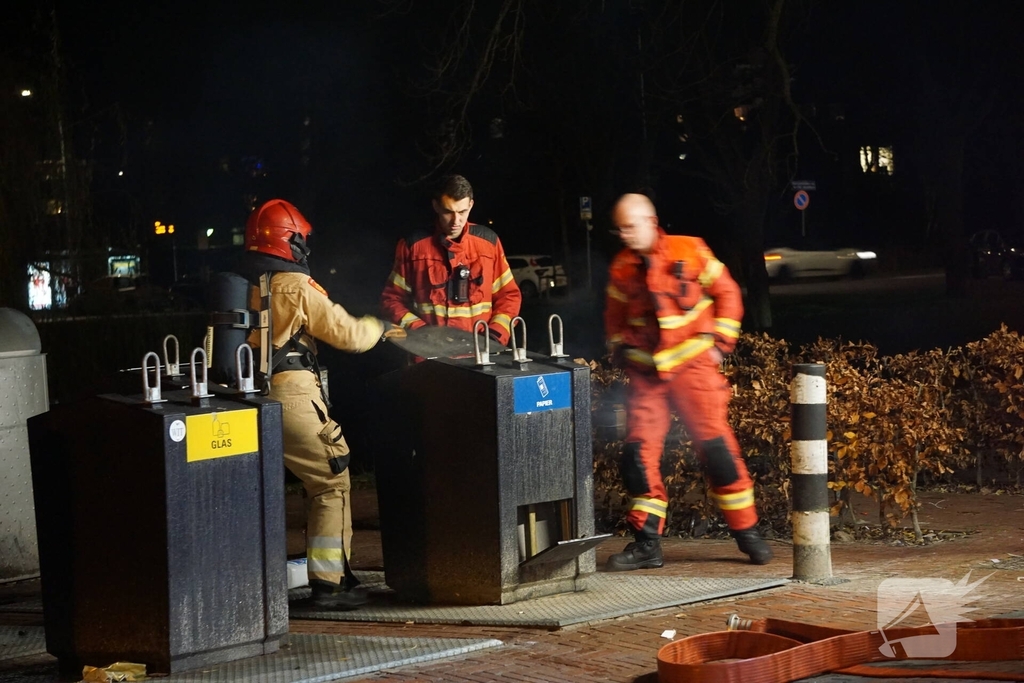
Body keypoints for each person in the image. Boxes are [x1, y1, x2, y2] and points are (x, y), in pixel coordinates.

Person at [236, 198, 405, 609]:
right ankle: (330, 582)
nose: (304, 248)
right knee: (330, 481)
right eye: (301, 240)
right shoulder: (295, 286)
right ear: (288, 241)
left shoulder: (240, 285)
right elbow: (346, 334)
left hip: (244, 399)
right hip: (291, 398)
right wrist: (378, 326)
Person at [603, 192, 772, 570]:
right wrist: (622, 353)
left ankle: (748, 535)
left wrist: (721, 345)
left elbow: (727, 292)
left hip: (693, 372)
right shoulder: (621, 269)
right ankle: (647, 543)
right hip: (647, 377)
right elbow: (614, 318)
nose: (625, 235)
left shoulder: (690, 249)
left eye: (630, 226)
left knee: (718, 452)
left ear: (651, 220)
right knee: (636, 456)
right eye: (620, 228)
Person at [380, 174, 522, 344]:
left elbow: (509, 296)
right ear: (436, 206)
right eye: (448, 212)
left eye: (462, 212)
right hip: (429, 355)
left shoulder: (489, 244)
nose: (456, 220)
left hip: (480, 354)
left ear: (471, 204)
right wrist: (420, 331)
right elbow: (391, 300)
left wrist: (495, 334)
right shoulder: (413, 247)